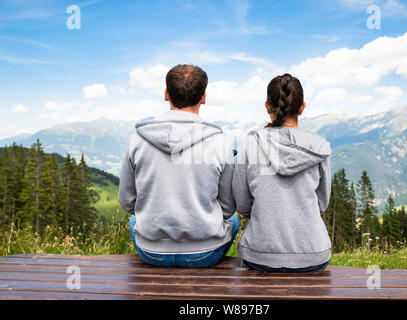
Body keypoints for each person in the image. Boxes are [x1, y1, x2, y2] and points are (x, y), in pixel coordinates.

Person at [118, 64, 239, 267]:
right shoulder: (220, 141)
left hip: (151, 252)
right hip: (204, 254)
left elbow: (127, 201)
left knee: (134, 222)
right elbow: (227, 208)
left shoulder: (137, 139)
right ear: (203, 97)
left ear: (166, 94)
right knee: (233, 220)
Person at [232, 73, 331, 272]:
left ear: (267, 106)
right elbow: (321, 203)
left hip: (259, 255)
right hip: (313, 255)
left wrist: (267, 211)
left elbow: (241, 204)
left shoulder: (251, 142)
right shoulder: (319, 147)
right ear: (302, 107)